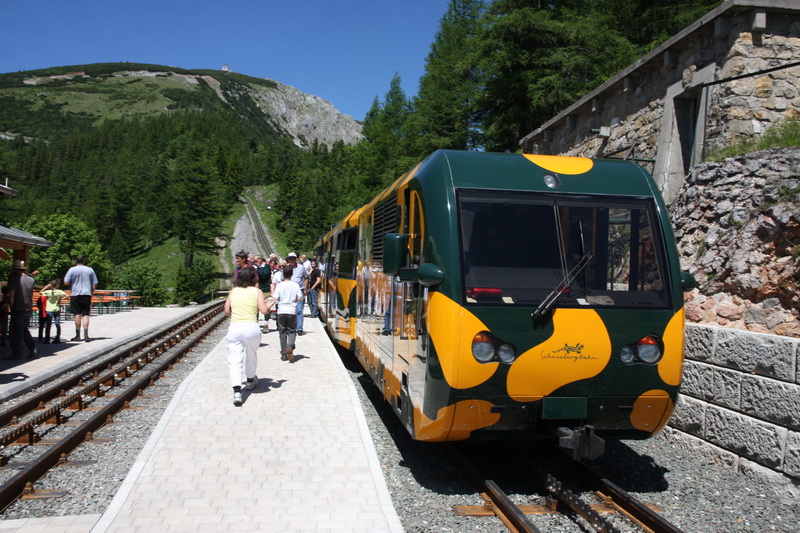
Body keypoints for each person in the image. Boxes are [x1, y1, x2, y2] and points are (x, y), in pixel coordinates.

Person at [224, 267, 271, 406]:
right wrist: (270, 304)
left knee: (234, 359)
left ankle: (237, 391)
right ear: (253, 279)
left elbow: (226, 311)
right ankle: (250, 380)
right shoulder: (257, 292)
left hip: (235, 327)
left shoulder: (233, 291)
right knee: (251, 354)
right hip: (251, 327)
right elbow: (263, 310)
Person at [63, 255, 98, 342]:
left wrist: (72, 282)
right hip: (86, 293)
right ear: (84, 261)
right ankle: (86, 335)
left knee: (77, 314)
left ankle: (78, 335)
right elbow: (95, 282)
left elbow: (66, 282)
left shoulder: (72, 270)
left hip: (75, 293)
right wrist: (91, 291)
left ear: (76, 261)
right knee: (85, 314)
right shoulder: (90, 270)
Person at [6, 260, 36, 359]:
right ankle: (32, 348)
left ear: (15, 269)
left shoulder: (14, 280)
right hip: (28, 308)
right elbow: (30, 295)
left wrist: (11, 307)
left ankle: (17, 353)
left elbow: (12, 296)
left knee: (17, 332)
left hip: (18, 308)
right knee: (24, 330)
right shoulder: (31, 280)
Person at [274, 264, 302, 363]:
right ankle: (290, 347)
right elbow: (299, 298)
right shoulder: (295, 285)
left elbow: (276, 298)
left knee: (282, 333)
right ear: (292, 274)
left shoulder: (279, 285)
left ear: (283, 274)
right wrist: (294, 300)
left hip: (281, 310)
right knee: (291, 331)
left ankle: (284, 354)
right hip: (291, 311)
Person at [285, 252, 309, 334]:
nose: (291, 260)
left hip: (300, 290)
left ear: (296, 259)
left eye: (293, 258)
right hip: (289, 291)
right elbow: (282, 279)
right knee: (290, 310)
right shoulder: (286, 268)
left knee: (299, 310)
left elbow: (306, 277)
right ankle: (291, 327)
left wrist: (305, 288)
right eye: (290, 258)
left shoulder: (301, 267)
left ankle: (299, 328)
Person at [40, 279, 67, 344]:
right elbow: (67, 295)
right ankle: (57, 338)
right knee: (57, 324)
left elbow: (41, 292)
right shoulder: (59, 291)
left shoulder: (48, 292)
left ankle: (47, 339)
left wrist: (47, 286)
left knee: (48, 325)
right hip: (56, 309)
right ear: (57, 285)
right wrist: (60, 299)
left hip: (49, 309)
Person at [254, 255, 272, 333]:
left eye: (256, 261)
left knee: (266, 308)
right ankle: (255, 324)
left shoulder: (266, 267)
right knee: (255, 308)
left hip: (265, 290)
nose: (255, 263)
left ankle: (266, 324)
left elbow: (264, 275)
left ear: (260, 259)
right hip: (256, 289)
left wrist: (256, 270)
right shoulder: (255, 267)